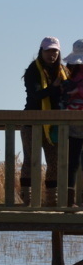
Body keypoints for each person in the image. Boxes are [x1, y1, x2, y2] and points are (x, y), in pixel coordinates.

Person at [20, 37, 67, 205]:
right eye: (48, 50)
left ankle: (51, 200)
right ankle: (28, 200)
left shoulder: (62, 71)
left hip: (54, 123)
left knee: (54, 161)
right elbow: (36, 95)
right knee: (31, 160)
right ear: (41, 51)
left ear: (59, 52)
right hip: (31, 121)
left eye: (54, 51)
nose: (51, 54)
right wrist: (54, 87)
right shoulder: (33, 70)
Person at [60, 41, 83, 207]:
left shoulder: (70, 71)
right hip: (73, 120)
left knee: (74, 160)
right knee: (73, 161)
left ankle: (72, 199)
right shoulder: (68, 72)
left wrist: (77, 91)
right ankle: (70, 199)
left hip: (73, 118)